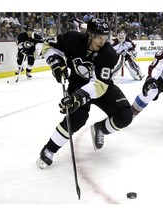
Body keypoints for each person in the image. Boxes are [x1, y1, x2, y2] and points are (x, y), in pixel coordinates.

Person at [36, 18, 133, 169]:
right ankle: (49, 149)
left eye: (105, 37)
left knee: (125, 115)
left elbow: (99, 85)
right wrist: (56, 63)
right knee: (77, 119)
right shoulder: (72, 39)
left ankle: (100, 128)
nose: (102, 41)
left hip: (101, 86)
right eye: (99, 37)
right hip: (77, 83)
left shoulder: (108, 53)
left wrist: (76, 97)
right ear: (89, 35)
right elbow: (48, 45)